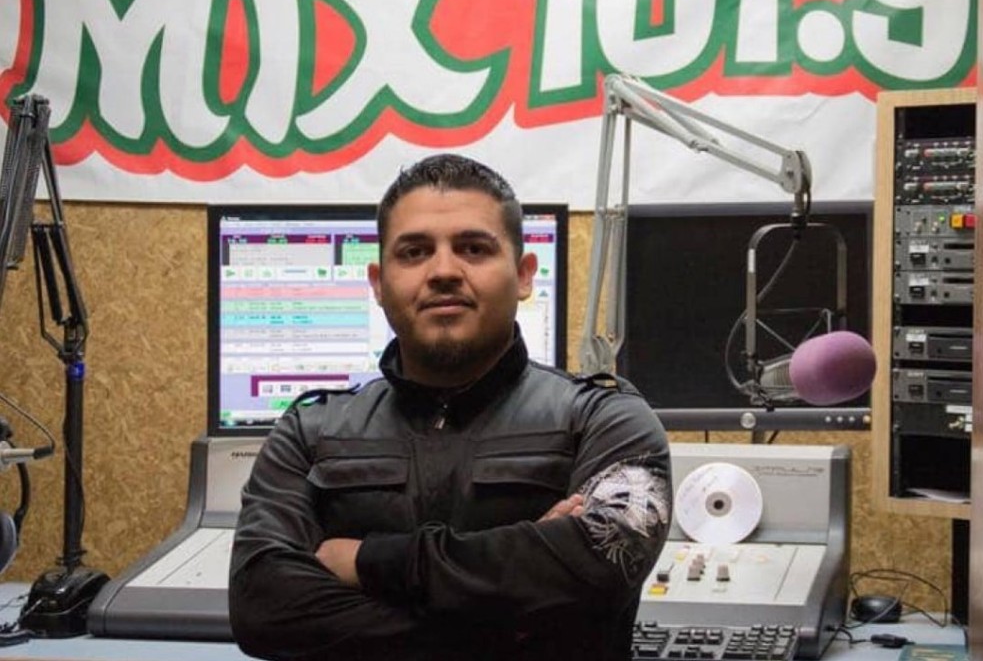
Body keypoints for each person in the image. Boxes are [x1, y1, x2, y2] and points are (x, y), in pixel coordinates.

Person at [229, 153, 672, 661]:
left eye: (474, 248)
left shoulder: (605, 420)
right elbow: (264, 608)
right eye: (414, 252)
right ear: (378, 282)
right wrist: (519, 627)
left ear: (524, 274)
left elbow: (600, 564)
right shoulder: (309, 432)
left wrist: (369, 562)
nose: (443, 271)